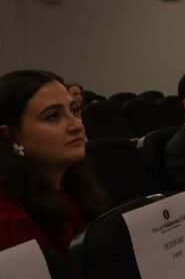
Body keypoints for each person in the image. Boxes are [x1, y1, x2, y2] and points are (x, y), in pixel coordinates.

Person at [0, 70, 107, 259]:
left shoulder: (76, 186)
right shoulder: (8, 219)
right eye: (52, 116)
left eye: (74, 111)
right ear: (11, 136)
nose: (77, 125)